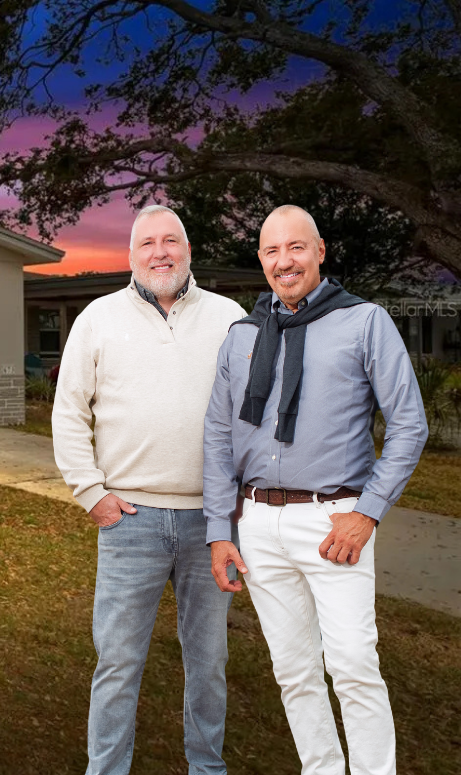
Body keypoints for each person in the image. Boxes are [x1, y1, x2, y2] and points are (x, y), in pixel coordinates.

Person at [203, 205, 427, 775]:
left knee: (353, 665)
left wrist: (368, 513)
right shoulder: (242, 336)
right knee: (294, 670)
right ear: (261, 260)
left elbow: (408, 425)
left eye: (296, 248)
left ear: (320, 251)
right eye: (273, 252)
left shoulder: (365, 322)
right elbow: (217, 439)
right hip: (257, 524)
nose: (285, 262)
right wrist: (219, 532)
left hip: (336, 524)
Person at [53, 204, 247, 775]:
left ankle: (207, 766)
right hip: (129, 521)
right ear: (130, 256)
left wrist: (236, 506)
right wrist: (91, 493)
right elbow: (69, 414)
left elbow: (250, 416)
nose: (160, 252)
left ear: (188, 250)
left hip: (210, 527)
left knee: (209, 661)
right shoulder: (97, 318)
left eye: (171, 241)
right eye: (147, 244)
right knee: (117, 661)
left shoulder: (230, 318)